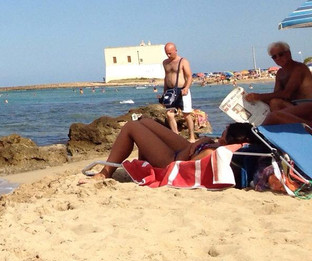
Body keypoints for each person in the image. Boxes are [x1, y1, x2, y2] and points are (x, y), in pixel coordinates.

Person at [85, 118, 255, 180]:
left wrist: (197, 148)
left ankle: (105, 172)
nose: (224, 128)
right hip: (185, 149)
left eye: (227, 128)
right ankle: (143, 159)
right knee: (145, 121)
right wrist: (204, 141)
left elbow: (187, 168)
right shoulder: (219, 146)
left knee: (131, 127)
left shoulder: (212, 153)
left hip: (171, 161)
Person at [251, 41, 312, 126]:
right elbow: (276, 94)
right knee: (272, 102)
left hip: (307, 107)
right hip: (294, 106)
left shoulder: (299, 68)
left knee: (275, 104)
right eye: (274, 57)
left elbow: (286, 94)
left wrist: (258, 96)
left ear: (289, 53)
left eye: (280, 54)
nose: (278, 58)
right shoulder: (280, 73)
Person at [160, 42, 195, 141]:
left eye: (170, 53)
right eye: (167, 53)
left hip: (182, 90)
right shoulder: (165, 62)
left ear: (175, 50)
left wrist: (186, 88)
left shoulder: (183, 61)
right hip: (170, 91)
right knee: (169, 114)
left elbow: (189, 76)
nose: (168, 55)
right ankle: (176, 137)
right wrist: (164, 92)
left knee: (186, 114)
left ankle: (192, 137)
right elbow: (166, 77)